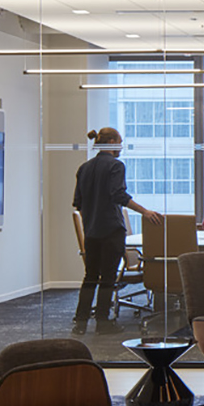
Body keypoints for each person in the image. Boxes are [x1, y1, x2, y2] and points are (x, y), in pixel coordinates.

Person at [71, 127, 161, 336]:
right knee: (108, 277)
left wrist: (90, 223)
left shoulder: (84, 168)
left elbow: (78, 203)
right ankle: (103, 321)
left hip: (91, 231)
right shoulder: (116, 166)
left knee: (90, 276)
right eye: (119, 142)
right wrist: (145, 211)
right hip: (111, 229)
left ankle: (81, 322)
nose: (121, 147)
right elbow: (118, 195)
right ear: (111, 142)